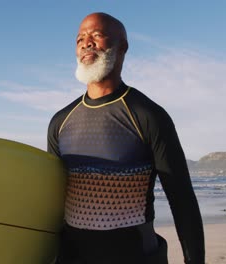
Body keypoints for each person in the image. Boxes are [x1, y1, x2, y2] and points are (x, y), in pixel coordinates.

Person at [47, 12, 205, 264]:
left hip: (136, 257)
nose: (86, 43)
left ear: (123, 46)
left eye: (96, 36)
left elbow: (182, 198)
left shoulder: (148, 116)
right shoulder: (61, 121)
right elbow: (51, 199)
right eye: (80, 39)